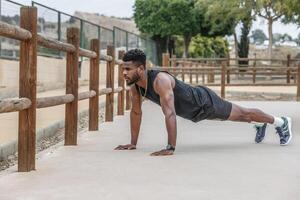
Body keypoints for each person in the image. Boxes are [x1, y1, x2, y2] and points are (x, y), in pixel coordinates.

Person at [114, 49, 292, 156]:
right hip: (194, 113)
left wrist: (170, 147)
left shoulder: (160, 80)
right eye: (123, 69)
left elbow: (170, 113)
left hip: (204, 102)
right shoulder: (135, 87)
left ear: (141, 68)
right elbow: (136, 113)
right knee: (242, 117)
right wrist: (133, 143)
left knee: (243, 114)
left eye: (128, 69)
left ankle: (281, 122)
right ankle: (261, 125)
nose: (124, 73)